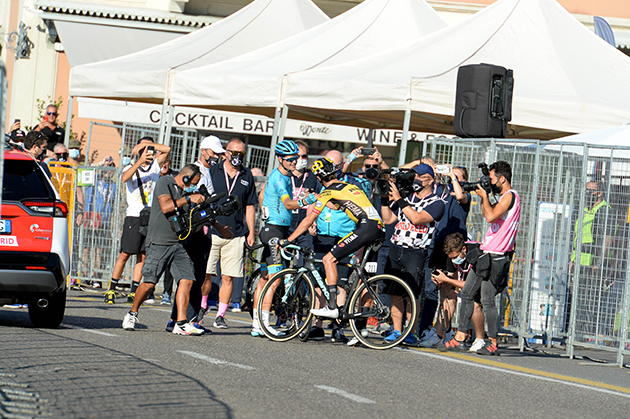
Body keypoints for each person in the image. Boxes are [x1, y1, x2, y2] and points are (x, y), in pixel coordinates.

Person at [284, 157, 386, 321]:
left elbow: (309, 220)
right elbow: (338, 205)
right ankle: (349, 310)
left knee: (328, 259)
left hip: (366, 227)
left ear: (319, 178)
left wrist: (289, 240)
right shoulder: (349, 186)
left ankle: (332, 306)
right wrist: (320, 199)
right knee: (355, 270)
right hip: (377, 227)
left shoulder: (328, 192)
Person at [442, 161, 521, 355]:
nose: (490, 182)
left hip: (498, 256)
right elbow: (488, 212)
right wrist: (485, 197)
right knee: (467, 293)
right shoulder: (502, 197)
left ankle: (492, 342)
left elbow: (490, 216)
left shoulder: (511, 196)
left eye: (492, 179)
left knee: (487, 300)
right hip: (487, 252)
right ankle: (460, 335)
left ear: (502, 179)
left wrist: (485, 195)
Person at [122, 165, 207, 335]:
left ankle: (181, 322)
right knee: (149, 283)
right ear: (185, 178)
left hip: (179, 242)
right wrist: (189, 199)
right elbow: (166, 206)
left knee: (187, 279)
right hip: (159, 242)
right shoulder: (165, 182)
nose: (193, 187)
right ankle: (132, 313)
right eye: (193, 183)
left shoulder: (187, 193)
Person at [379, 163, 445, 343]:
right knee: (394, 291)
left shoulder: (437, 202)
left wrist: (400, 199)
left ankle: (410, 331)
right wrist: (385, 199)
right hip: (396, 247)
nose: (415, 179)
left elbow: (417, 219)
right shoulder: (408, 197)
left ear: (429, 180)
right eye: (413, 175)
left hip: (415, 251)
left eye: (419, 176)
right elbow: (388, 219)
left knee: (411, 293)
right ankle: (397, 330)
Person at [251, 140, 308, 337]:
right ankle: (265, 325)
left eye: (297, 158)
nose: (295, 162)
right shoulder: (279, 178)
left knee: (265, 278)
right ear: (280, 159)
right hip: (274, 231)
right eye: (291, 159)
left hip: (277, 229)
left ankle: (257, 324)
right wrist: (306, 201)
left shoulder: (285, 175)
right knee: (274, 280)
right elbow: (289, 204)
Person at [104, 137, 170, 304]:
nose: (147, 151)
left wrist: (151, 146)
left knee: (143, 255)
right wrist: (139, 160)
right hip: (133, 215)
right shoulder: (131, 166)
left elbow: (167, 149)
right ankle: (112, 287)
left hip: (150, 216)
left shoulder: (155, 166)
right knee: (125, 253)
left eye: (150, 148)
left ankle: (134, 290)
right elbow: (125, 178)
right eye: (144, 147)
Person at [201, 139, 257, 329]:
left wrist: (250, 231)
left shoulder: (246, 174)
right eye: (234, 152)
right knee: (207, 273)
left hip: (236, 232)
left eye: (241, 153)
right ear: (225, 153)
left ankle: (221, 314)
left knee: (228, 276)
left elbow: (250, 205)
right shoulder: (213, 171)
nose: (237, 157)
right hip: (213, 230)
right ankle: (202, 306)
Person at [416, 164, 471, 347]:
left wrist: (454, 178)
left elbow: (461, 196)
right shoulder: (443, 193)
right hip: (438, 242)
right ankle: (438, 329)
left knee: (449, 289)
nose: (450, 179)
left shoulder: (464, 194)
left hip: (454, 244)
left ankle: (441, 332)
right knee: (437, 286)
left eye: (456, 177)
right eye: (449, 176)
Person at [569, 179, 612, 338]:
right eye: (586, 190)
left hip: (593, 264)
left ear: (599, 193)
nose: (588, 194)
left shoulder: (604, 211)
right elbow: (577, 238)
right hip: (579, 263)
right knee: (577, 299)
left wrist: (599, 263)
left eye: (591, 191)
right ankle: (576, 334)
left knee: (590, 301)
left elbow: (607, 240)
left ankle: (588, 336)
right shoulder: (584, 210)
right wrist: (572, 260)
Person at [431, 233, 486, 352]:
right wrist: (441, 279)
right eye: (450, 258)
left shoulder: (475, 254)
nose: (453, 260)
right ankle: (442, 333)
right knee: (449, 292)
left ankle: (480, 339)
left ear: (463, 249)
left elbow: (470, 285)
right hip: (469, 282)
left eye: (455, 257)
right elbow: (450, 276)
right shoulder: (454, 256)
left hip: (488, 280)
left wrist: (447, 280)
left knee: (475, 304)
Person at [194, 135, 227, 309]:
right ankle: (180, 317)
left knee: (204, 273)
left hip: (206, 228)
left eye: (218, 154)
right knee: (192, 275)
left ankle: (196, 313)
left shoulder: (210, 172)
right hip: (196, 229)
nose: (216, 157)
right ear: (204, 151)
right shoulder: (196, 171)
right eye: (213, 153)